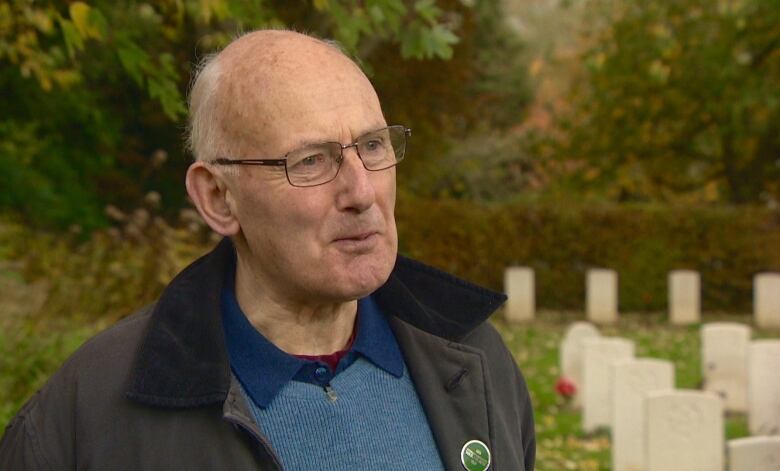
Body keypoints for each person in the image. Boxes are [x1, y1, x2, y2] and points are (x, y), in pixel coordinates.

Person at [0, 30, 535, 470]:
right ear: (218, 198)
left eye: (372, 146)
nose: (362, 192)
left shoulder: (474, 358)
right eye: (310, 161)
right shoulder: (92, 409)